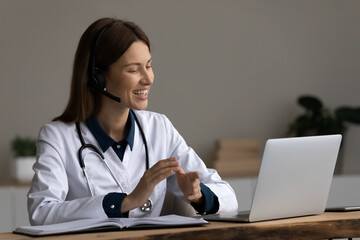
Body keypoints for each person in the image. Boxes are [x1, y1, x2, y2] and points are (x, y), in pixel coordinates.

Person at [28, 17, 238, 225]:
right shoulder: (57, 136)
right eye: (134, 69)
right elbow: (41, 212)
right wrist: (124, 203)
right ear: (97, 77)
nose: (148, 79)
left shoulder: (159, 128)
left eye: (149, 66)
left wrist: (198, 194)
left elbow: (229, 197)